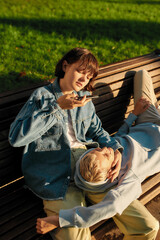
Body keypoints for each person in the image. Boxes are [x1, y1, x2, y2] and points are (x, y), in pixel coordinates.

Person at [9, 47, 123, 240]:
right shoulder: (42, 96)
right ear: (65, 65)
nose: (83, 79)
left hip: (91, 168)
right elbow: (16, 138)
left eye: (88, 76)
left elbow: (97, 130)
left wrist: (115, 148)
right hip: (56, 176)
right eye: (80, 71)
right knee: (75, 236)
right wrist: (57, 107)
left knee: (144, 222)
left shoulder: (84, 98)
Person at [36, 70, 160, 240]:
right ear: (111, 173)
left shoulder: (110, 153)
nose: (106, 149)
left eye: (97, 149)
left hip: (145, 120)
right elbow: (113, 204)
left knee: (142, 74)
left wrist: (133, 115)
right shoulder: (129, 176)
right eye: (106, 154)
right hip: (154, 130)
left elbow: (118, 137)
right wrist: (61, 220)